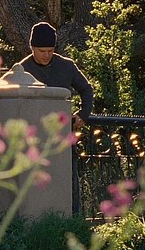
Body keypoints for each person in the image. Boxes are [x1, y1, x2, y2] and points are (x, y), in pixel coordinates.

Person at [19, 21, 94, 215]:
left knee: (69, 180)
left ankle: (74, 218)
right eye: (42, 51)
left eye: (50, 51)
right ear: (32, 48)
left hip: (63, 135)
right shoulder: (21, 69)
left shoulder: (67, 66)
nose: (46, 55)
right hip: (34, 138)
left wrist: (83, 115)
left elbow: (86, 90)